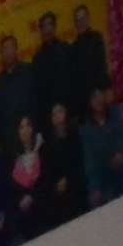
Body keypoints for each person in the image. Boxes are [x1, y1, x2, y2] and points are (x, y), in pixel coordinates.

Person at [38, 97, 88, 230]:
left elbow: (81, 161)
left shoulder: (76, 135)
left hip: (81, 186)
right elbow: (50, 175)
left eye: (60, 111)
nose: (57, 116)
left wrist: (68, 178)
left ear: (65, 113)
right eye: (54, 114)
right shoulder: (47, 147)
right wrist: (59, 183)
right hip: (63, 197)